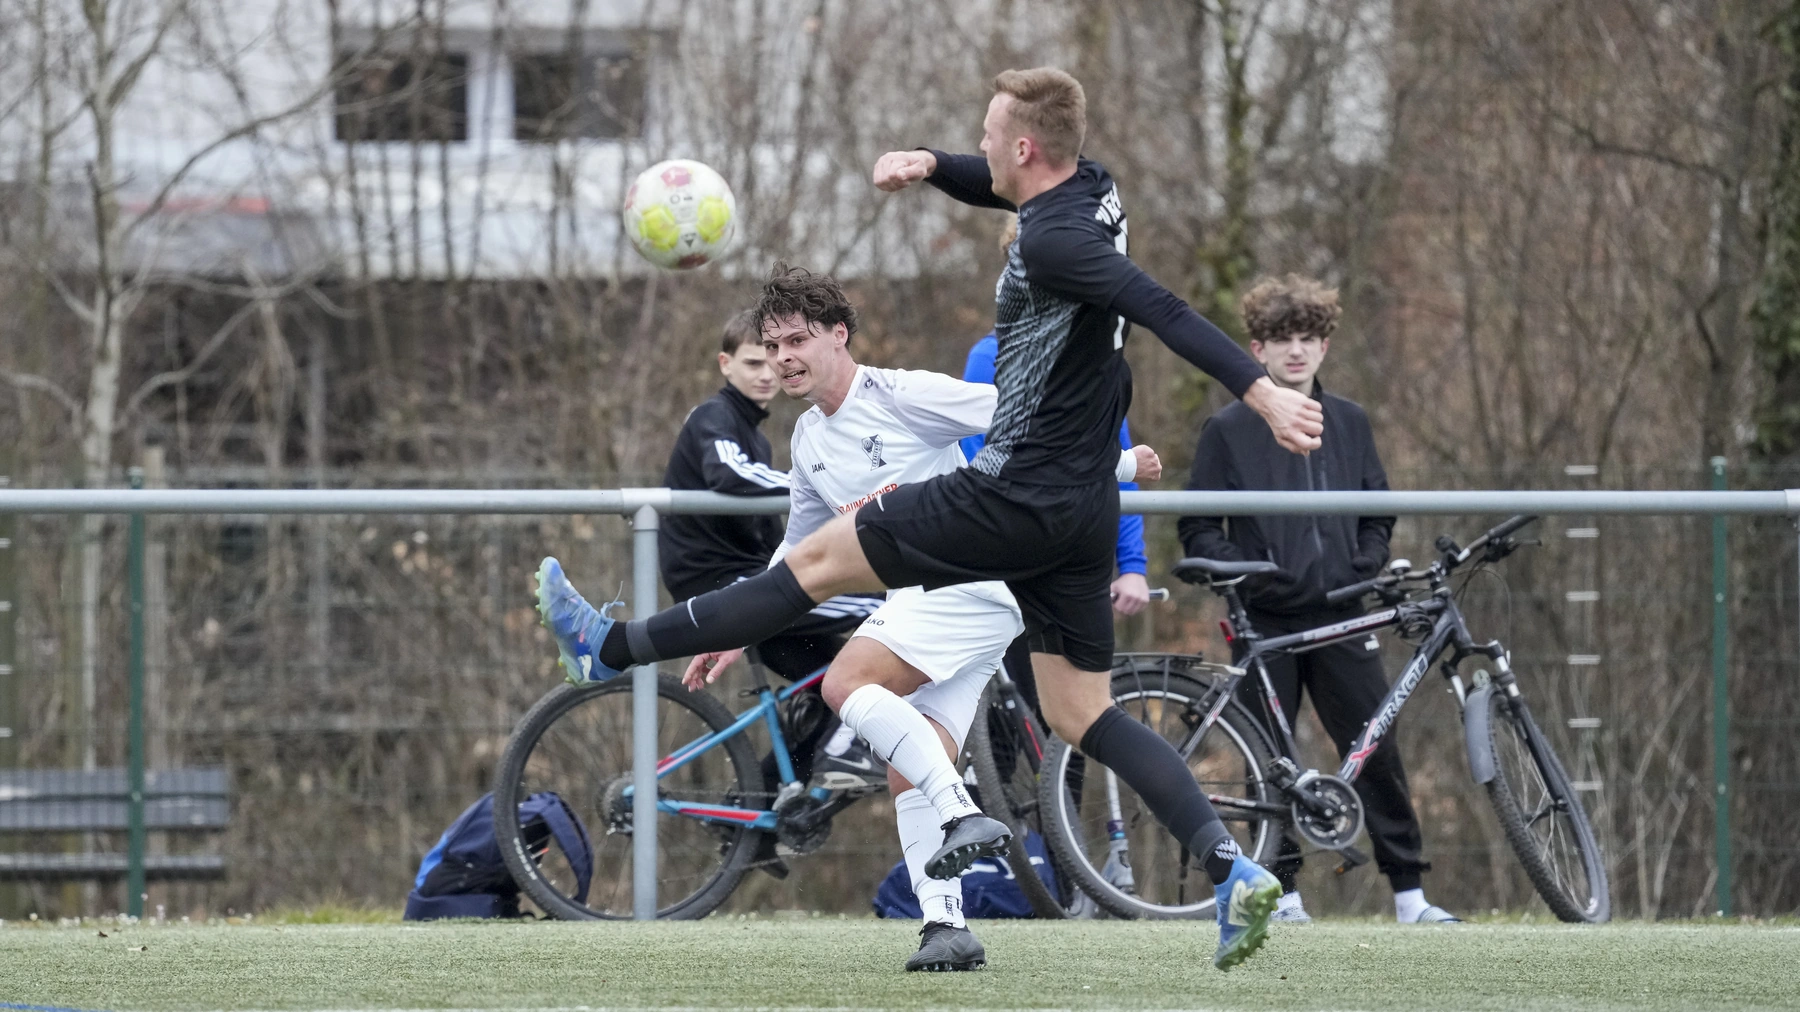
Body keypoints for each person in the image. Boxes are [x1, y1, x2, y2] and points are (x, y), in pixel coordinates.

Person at [535, 67, 1323, 970]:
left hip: (1011, 497)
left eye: (988, 138)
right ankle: (1232, 872)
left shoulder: (1059, 249)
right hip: (1080, 515)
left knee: (815, 578)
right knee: (1084, 714)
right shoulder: (1093, 189)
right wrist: (933, 166)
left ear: (1025, 150)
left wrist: (1260, 390)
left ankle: (613, 645)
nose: (980, 149)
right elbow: (1010, 183)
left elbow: (1164, 309)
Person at [683, 266, 1160, 970]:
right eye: (772, 344)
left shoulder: (902, 393)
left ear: (839, 337)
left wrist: (1118, 464)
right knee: (912, 762)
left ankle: (962, 811)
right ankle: (946, 927)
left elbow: (1028, 416)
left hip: (966, 581)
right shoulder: (811, 442)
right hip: (954, 602)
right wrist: (733, 629)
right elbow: (795, 561)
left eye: (797, 340)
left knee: (845, 685)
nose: (783, 357)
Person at [1177, 274, 1459, 925]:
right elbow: (1197, 529)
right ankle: (1284, 896)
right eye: (1281, 339)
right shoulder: (1226, 430)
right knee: (1268, 762)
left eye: (1308, 338)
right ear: (1257, 349)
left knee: (1376, 748)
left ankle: (1411, 898)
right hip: (1263, 621)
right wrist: (1251, 576)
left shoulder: (1351, 421)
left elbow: (1376, 511)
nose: (1296, 351)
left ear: (1325, 347)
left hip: (1343, 615)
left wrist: (1360, 567)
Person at [657, 309, 886, 878]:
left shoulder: (754, 429)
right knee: (889, 610)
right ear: (725, 364)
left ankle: (754, 814)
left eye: (772, 361)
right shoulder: (714, 418)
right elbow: (731, 478)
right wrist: (820, 487)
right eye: (753, 361)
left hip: (747, 576)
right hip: (721, 581)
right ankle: (836, 760)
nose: (766, 373)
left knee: (839, 680)